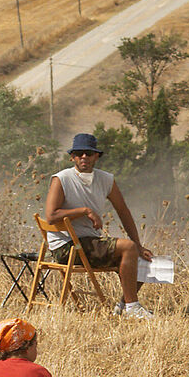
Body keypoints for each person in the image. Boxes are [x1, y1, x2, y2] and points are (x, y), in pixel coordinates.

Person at [42, 133, 153, 318]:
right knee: (128, 248)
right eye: (79, 153)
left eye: (89, 153)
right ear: (72, 157)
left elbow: (123, 211)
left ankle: (124, 306)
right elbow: (51, 216)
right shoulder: (61, 179)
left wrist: (139, 245)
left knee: (140, 258)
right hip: (66, 247)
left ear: (96, 156)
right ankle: (133, 308)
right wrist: (85, 211)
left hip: (89, 244)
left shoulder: (106, 179)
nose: (84, 157)